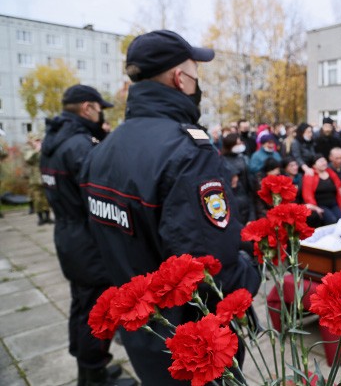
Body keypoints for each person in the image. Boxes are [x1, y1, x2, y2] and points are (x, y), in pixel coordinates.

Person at [80, 30, 261, 384]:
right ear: (180, 79)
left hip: (143, 333)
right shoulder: (188, 152)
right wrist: (252, 266)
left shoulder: (102, 150)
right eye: (195, 74)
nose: (197, 84)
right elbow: (212, 268)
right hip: (196, 347)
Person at [39, 85, 132, 386]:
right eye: (100, 108)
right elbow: (100, 195)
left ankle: (90, 370)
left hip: (68, 234)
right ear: (88, 108)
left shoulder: (55, 141)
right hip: (88, 240)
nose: (101, 114)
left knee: (82, 305)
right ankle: (94, 376)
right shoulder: (80, 145)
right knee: (98, 310)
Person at [302, 153, 341, 226]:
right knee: (332, 220)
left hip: (334, 204)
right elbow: (307, 195)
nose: (323, 163)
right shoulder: (310, 175)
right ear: (314, 165)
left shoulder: (330, 172)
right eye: (320, 161)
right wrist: (315, 208)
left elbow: (339, 188)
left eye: (324, 160)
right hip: (320, 205)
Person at [24, 132, 53, 225]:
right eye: (35, 140)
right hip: (35, 179)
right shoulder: (28, 149)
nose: (38, 142)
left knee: (46, 198)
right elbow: (28, 159)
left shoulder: (43, 149)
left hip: (45, 177)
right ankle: (40, 218)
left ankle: (48, 217)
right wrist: (36, 150)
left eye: (39, 140)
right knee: (37, 199)